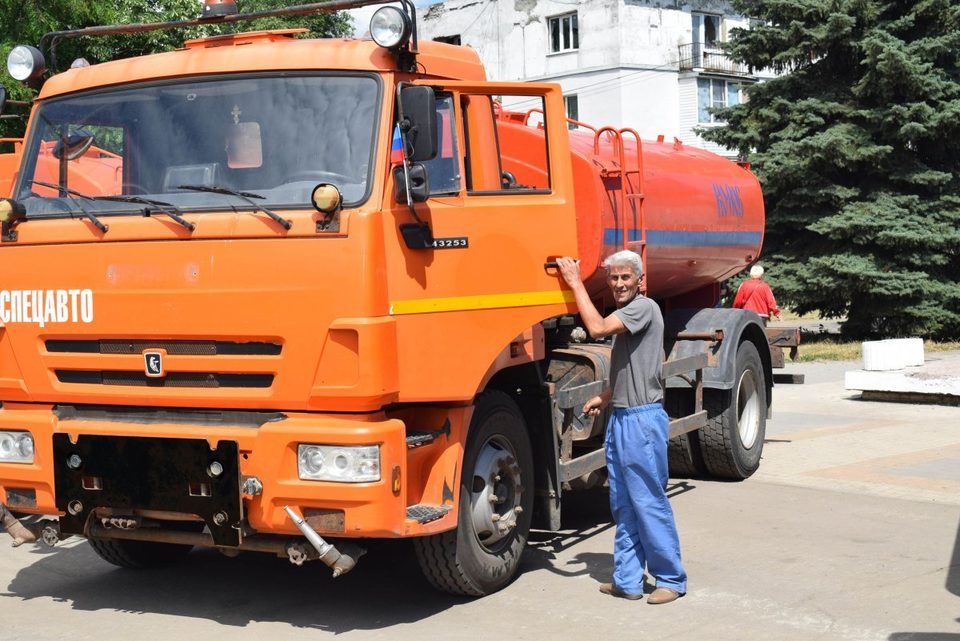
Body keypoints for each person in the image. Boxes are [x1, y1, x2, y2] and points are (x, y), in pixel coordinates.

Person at [556, 251, 686, 605]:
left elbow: (595, 328)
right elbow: (636, 366)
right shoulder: (631, 317)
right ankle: (627, 580)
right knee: (625, 504)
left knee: (648, 502)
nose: (618, 284)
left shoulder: (643, 308)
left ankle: (671, 579)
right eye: (613, 278)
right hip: (624, 416)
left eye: (625, 277)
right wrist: (607, 396)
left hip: (642, 420)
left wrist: (573, 282)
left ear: (640, 281)